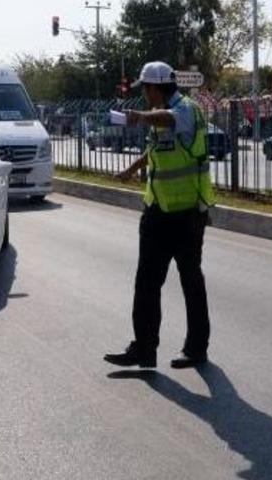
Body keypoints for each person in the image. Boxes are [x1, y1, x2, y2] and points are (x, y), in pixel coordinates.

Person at [104, 61, 215, 370]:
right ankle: (144, 349)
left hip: (188, 215)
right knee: (146, 283)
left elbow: (168, 119)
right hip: (157, 213)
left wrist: (140, 117)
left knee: (191, 281)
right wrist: (131, 170)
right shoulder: (163, 113)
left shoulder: (186, 110)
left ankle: (196, 349)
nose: (144, 97)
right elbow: (157, 149)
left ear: (156, 88)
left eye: (146, 91)